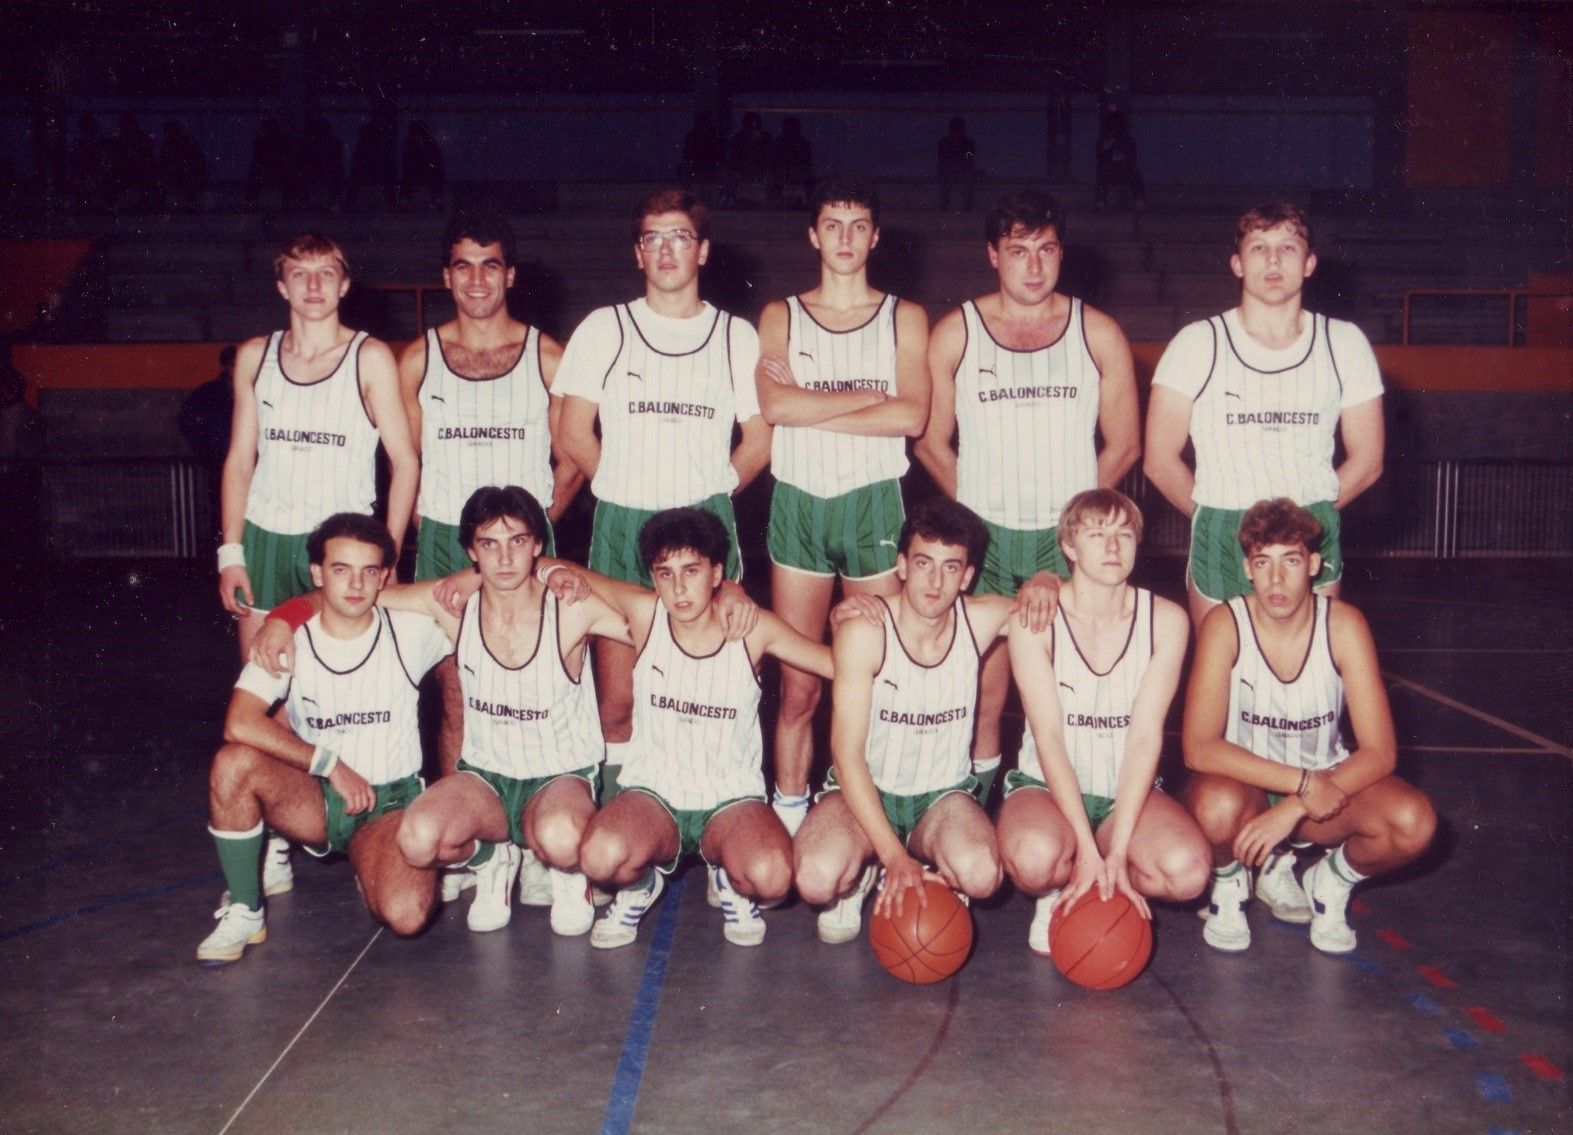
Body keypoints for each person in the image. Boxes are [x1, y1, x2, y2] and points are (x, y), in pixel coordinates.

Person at [916, 191, 1140, 807]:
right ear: (993, 256)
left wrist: (1075, 535)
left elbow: (1122, 445)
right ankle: (972, 808)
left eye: (1046, 250)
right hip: (983, 531)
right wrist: (977, 517)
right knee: (981, 687)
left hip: (1065, 538)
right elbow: (932, 443)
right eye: (1018, 251)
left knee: (1067, 687)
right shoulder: (955, 331)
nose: (1034, 266)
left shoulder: (1097, 331)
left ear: (1061, 254)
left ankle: (1064, 812)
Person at [556, 189, 770, 806]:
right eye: (653, 238)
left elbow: (759, 440)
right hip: (622, 524)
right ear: (637, 253)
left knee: (714, 694)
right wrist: (625, 485)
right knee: (619, 701)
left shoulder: (736, 335)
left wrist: (706, 492)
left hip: (704, 529)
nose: (667, 249)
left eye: (680, 236)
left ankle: (720, 823)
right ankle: (625, 827)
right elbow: (572, 433)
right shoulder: (605, 327)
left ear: (702, 250)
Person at [217, 234, 417, 892]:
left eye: (324, 273)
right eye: (298, 274)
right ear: (281, 285)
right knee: (268, 700)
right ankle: (274, 827)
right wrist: (231, 551)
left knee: (346, 689)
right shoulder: (256, 355)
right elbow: (240, 457)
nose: (311, 286)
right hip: (270, 542)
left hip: (344, 554)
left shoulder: (369, 357)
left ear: (344, 283)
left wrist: (382, 556)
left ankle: (366, 823)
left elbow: (405, 461)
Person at [753, 177, 930, 837]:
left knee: (881, 677)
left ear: (875, 236)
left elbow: (911, 415)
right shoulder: (780, 314)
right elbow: (776, 408)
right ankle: (791, 813)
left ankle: (873, 821)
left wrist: (812, 404)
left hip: (873, 505)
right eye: (833, 224)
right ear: (812, 234)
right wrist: (867, 400)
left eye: (859, 225)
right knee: (799, 685)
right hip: (799, 505)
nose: (846, 238)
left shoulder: (903, 316)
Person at [570, 507, 834, 948]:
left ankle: (730, 878)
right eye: (665, 573)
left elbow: (834, 665)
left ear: (717, 574)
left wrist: (859, 620)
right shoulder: (644, 614)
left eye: (691, 571)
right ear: (653, 578)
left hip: (728, 798)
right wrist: (556, 573)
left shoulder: (750, 629)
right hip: (654, 793)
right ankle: (640, 889)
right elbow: (548, 565)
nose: (678, 588)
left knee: (772, 878)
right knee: (598, 859)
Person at [197, 514, 452, 965]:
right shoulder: (287, 637)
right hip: (316, 796)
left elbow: (483, 590)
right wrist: (329, 763)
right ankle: (245, 909)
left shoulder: (412, 631)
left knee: (407, 915)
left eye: (369, 571)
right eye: (340, 569)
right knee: (233, 762)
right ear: (316, 573)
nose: (355, 584)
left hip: (387, 802)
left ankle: (377, 857)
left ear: (384, 577)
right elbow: (239, 723)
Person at [1183, 498, 1435, 955]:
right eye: (1264, 562)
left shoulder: (1344, 625)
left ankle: (1330, 881)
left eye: (1291, 561)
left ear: (1314, 564)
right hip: (1247, 793)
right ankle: (1230, 884)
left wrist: (1296, 805)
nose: (1276, 579)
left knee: (1411, 822)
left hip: (1326, 792)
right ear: (1247, 569)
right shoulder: (1225, 624)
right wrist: (1298, 786)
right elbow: (1199, 748)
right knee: (1214, 807)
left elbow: (1380, 752)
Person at [793, 498, 1025, 945]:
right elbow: (846, 754)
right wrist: (893, 856)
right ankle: (867, 868)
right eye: (923, 563)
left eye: (951, 567)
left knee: (982, 876)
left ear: (968, 576)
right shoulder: (865, 631)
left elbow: (1070, 613)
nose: (935, 581)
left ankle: (937, 873)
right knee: (816, 879)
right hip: (863, 793)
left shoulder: (982, 620)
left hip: (940, 798)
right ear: (901, 565)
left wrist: (1049, 583)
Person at [400, 211, 582, 778]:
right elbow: (409, 463)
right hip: (441, 545)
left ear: (510, 276)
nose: (477, 280)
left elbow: (573, 459)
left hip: (522, 553)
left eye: (490, 266)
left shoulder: (548, 356)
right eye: (463, 267)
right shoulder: (416, 360)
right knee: (457, 698)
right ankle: (468, 844)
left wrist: (530, 532)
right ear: (447, 277)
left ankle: (528, 829)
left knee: (533, 690)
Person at [1144, 202, 1386, 628]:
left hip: (1310, 528)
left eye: (1288, 248)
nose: (1273, 260)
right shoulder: (1197, 343)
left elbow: (1367, 462)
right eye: (1258, 248)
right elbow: (1159, 461)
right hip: (1223, 525)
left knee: (1310, 679)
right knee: (1221, 681)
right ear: (1237, 263)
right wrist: (1221, 517)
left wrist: (1301, 522)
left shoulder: (1345, 343)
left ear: (1310, 263)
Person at [999, 489, 1206, 955]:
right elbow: (1048, 738)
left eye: (1124, 534)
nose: (1113, 547)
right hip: (1046, 786)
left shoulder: (1167, 620)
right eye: (1097, 534)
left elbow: (1145, 737)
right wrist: (1087, 850)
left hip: (1124, 793)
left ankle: (1104, 880)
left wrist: (1113, 853)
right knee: (1034, 861)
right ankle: (1064, 882)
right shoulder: (1036, 620)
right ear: (1069, 547)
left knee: (1187, 873)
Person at [1094, 98, 1146, 212]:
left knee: (1134, 172)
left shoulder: (1126, 140)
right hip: (1110, 169)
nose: (1114, 129)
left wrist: (1122, 160)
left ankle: (1140, 201)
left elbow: (1132, 156)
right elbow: (1100, 158)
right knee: (1102, 173)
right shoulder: (1104, 140)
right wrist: (1108, 152)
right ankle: (1100, 203)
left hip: (1124, 169)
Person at [936, 117, 978, 213]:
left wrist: (965, 165)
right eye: (955, 129)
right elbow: (942, 158)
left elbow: (970, 157)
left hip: (963, 169)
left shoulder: (968, 142)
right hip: (949, 169)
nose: (957, 131)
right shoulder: (945, 142)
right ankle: (945, 206)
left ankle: (967, 207)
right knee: (946, 180)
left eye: (959, 129)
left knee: (967, 180)